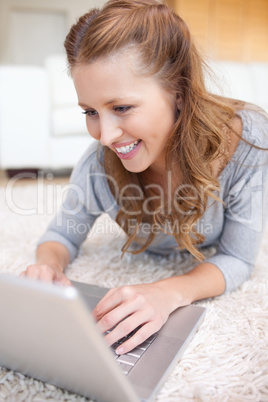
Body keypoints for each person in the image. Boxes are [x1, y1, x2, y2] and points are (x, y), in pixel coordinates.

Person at [21, 0, 268, 356]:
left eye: (121, 107)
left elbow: (239, 259)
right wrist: (47, 266)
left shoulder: (247, 139)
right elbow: (60, 234)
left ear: (178, 92)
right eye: (90, 111)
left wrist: (169, 291)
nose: (104, 136)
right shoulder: (98, 165)